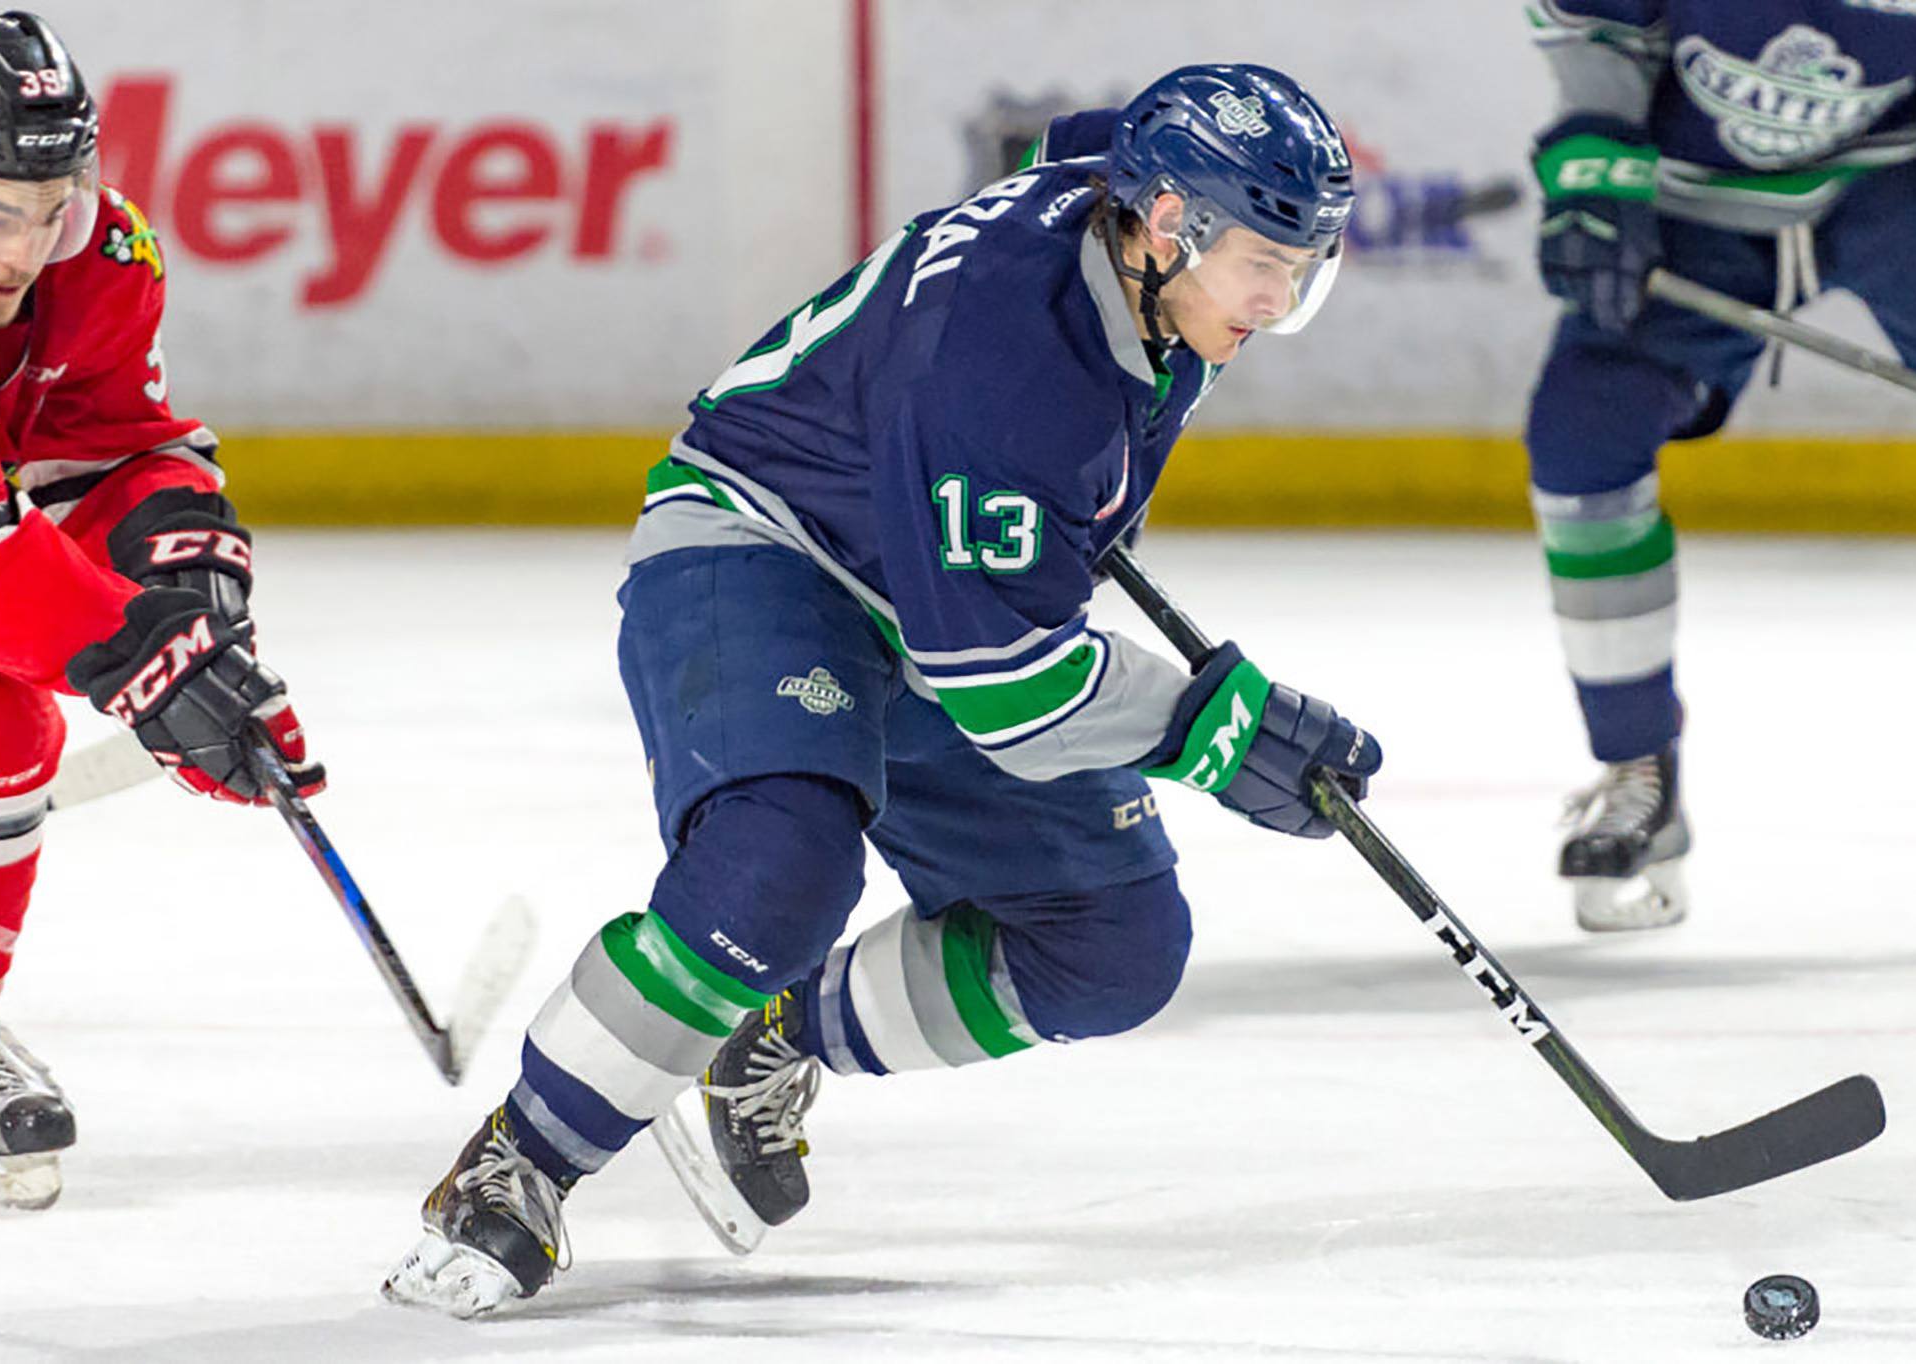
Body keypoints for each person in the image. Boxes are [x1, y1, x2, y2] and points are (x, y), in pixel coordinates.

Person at [384, 63, 1381, 1318]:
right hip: (767, 546)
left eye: (1304, 266)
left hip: (938, 591)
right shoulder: (1012, 357)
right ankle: (520, 1164)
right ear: (1170, 223)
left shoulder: (1132, 235)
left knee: (1112, 946)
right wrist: (1214, 728)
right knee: (777, 868)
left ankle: (776, 1026)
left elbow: (1075, 141)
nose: (1280, 297)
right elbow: (1005, 687)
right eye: (1264, 262)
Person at [0, 10, 323, 1209]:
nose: (25, 247)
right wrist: (151, 663)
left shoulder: (104, 254)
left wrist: (189, 588)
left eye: (49, 203)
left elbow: (112, 447)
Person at [1523, 2, 1916, 930]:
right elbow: (1597, 28)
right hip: (1696, 201)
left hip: (1900, 187)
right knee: (1586, 432)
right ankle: (1638, 767)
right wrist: (1595, 174)